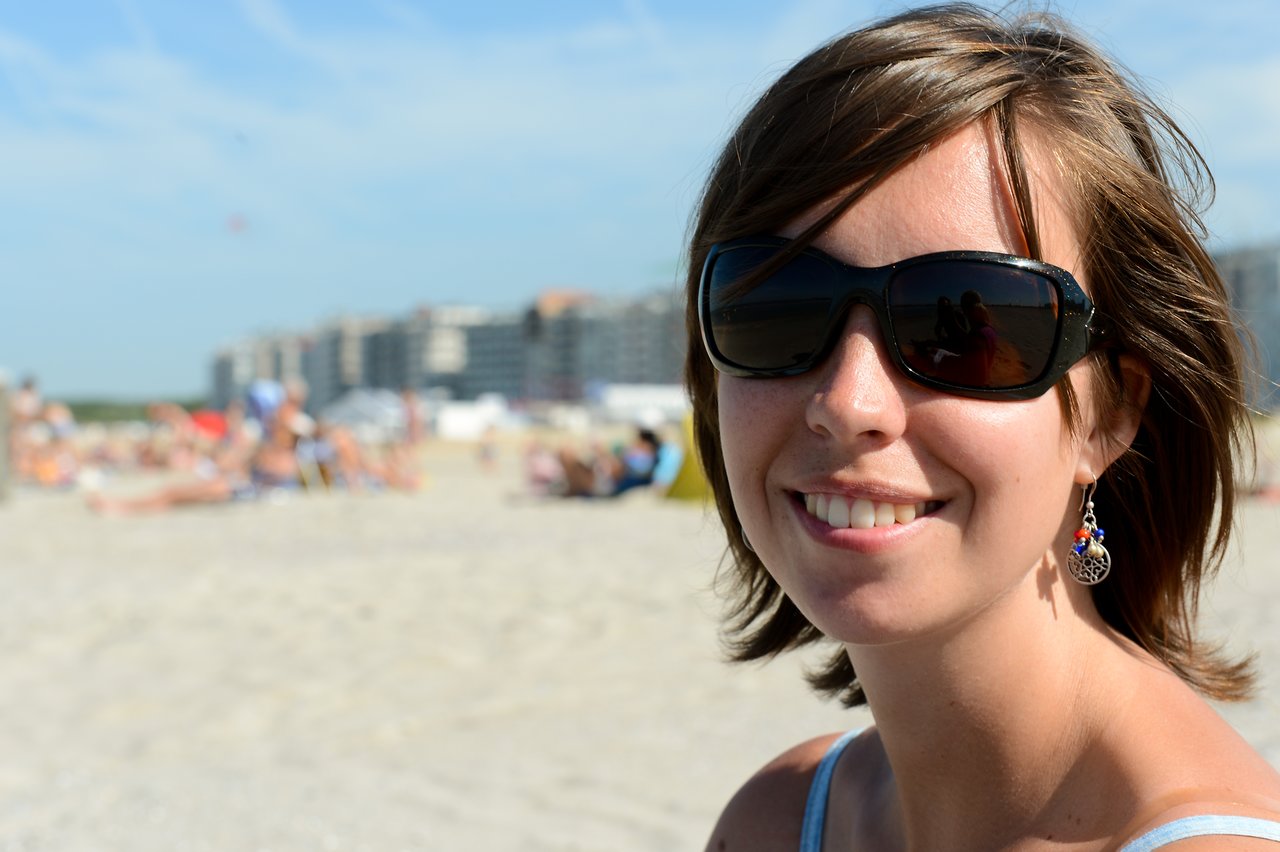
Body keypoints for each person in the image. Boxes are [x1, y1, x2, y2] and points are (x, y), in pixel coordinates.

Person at [685, 6, 1280, 850]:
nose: (849, 402)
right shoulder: (780, 821)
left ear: (1111, 413)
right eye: (775, 309)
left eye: (963, 327)